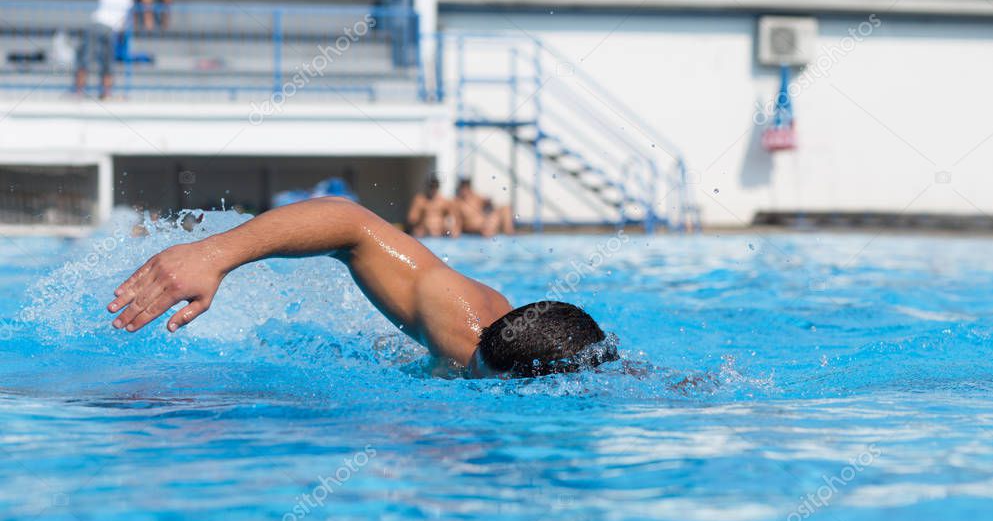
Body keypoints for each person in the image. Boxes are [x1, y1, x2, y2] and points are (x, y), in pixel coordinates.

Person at [107, 197, 618, 378]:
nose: (471, 368)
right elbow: (350, 224)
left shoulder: (590, 372)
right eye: (478, 365)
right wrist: (214, 254)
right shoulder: (457, 321)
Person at [74, 0, 134, 99]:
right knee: (107, 62)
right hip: (109, 28)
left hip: (96, 25)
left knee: (86, 59)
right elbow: (126, 20)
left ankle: (79, 92)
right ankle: (106, 93)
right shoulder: (128, 1)